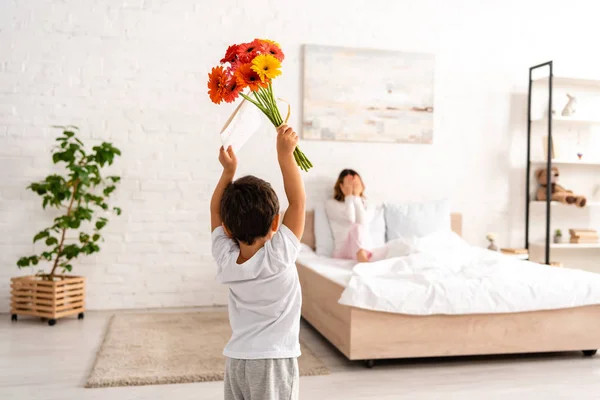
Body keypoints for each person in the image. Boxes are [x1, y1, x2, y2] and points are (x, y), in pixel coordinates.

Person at [210, 124, 305, 400]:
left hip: (237, 361)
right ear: (276, 222)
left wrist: (227, 173)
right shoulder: (279, 256)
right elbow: (298, 203)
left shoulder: (226, 260)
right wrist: (285, 156)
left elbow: (215, 211)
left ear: (227, 229)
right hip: (273, 362)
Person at [326, 169, 386, 262]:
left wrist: (357, 198)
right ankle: (365, 264)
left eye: (356, 184)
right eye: (350, 184)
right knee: (356, 228)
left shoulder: (368, 205)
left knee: (358, 228)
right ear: (341, 186)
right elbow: (351, 220)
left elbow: (362, 221)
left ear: (362, 186)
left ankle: (363, 258)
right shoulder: (331, 204)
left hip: (367, 251)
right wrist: (349, 197)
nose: (353, 187)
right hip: (343, 251)